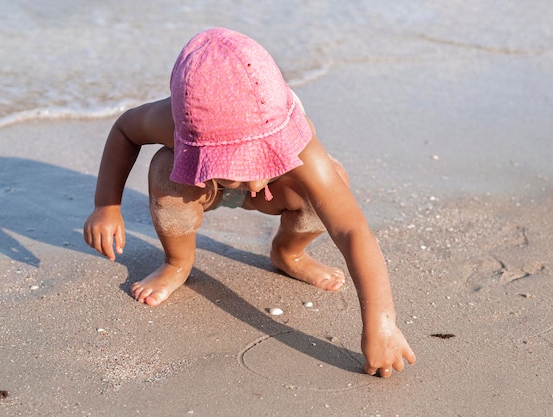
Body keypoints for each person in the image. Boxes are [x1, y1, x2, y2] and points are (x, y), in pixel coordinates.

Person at [83, 28, 415, 377]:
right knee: (165, 174)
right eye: (241, 168)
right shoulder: (171, 122)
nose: (254, 181)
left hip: (280, 193)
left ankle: (290, 253)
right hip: (203, 185)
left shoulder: (296, 140)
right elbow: (124, 129)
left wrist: (382, 323)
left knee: (332, 182)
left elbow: (351, 227)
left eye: (261, 162)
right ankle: (177, 263)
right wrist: (107, 205)